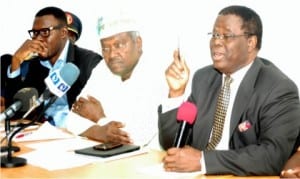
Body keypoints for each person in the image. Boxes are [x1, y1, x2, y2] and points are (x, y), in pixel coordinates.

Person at [158, 5, 300, 176]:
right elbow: (172, 145)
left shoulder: (278, 88)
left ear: (250, 43)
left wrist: (203, 161)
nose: (216, 41)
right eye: (215, 35)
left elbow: (272, 156)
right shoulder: (203, 79)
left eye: (226, 35)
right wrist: (176, 94)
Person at [65, 13, 166, 148]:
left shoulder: (158, 72)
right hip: (104, 155)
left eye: (119, 45)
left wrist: (99, 118)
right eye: (105, 48)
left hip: (144, 160)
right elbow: (72, 120)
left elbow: (137, 137)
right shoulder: (103, 68)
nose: (111, 54)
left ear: (138, 43)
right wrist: (102, 132)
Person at [5, 6, 102, 127]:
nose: (38, 39)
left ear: (63, 33)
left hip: (77, 134)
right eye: (35, 33)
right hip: (43, 133)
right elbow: (16, 112)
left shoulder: (89, 62)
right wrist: (16, 61)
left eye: (45, 32)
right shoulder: (36, 64)